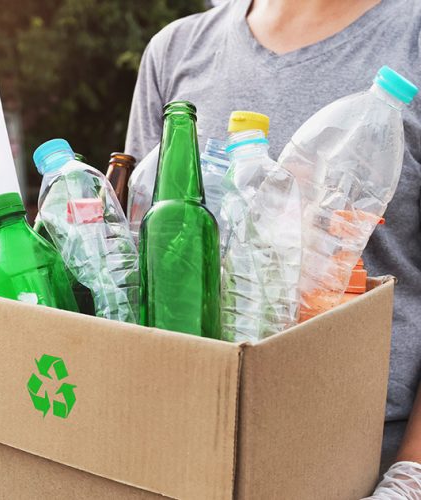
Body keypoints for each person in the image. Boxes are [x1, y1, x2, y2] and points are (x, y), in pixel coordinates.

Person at [126, 0, 421, 494]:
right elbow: (139, 259)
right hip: (186, 446)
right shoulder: (175, 49)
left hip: (357, 465)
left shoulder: (411, 35)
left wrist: (410, 477)